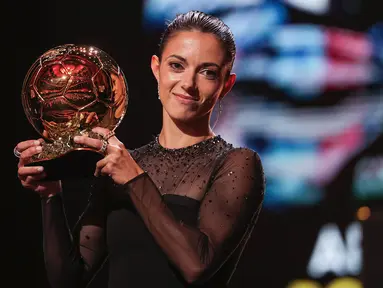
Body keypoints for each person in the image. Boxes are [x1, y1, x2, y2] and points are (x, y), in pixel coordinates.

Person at [15, 10, 265, 288]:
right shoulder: (123, 165)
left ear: (226, 85)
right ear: (156, 68)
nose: (188, 84)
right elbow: (68, 279)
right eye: (177, 66)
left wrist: (134, 179)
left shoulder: (236, 164)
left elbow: (197, 266)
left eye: (207, 72)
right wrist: (50, 196)